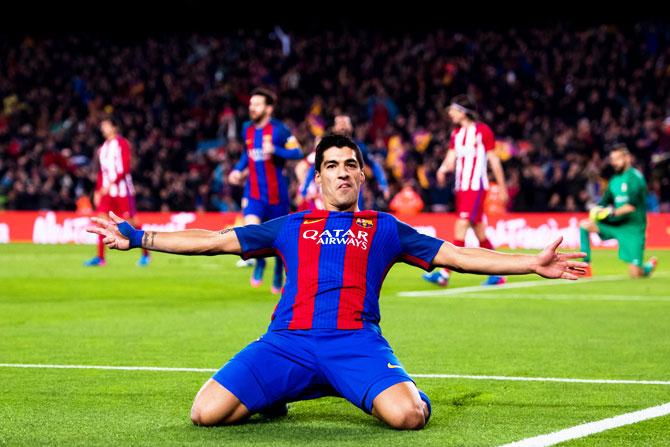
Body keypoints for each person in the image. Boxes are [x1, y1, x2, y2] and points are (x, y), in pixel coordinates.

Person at [87, 134, 587, 430]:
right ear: (319, 178)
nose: (342, 173)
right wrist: (141, 236)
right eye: (332, 166)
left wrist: (530, 264)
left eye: (351, 165)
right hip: (286, 343)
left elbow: (455, 254)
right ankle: (291, 389)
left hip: (354, 344)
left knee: (409, 418)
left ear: (363, 175)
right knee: (205, 414)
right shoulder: (291, 225)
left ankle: (377, 383)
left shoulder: (386, 228)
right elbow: (215, 240)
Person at [423, 95, 509, 287]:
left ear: (463, 111)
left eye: (453, 110)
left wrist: (502, 187)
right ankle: (499, 273)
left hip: (476, 187)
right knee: (479, 231)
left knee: (461, 225)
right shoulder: (457, 134)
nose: (450, 114)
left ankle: (444, 274)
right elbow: (450, 157)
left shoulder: (482, 131)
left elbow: (494, 160)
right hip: (461, 188)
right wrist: (442, 168)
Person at [227, 87, 303, 293]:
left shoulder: (280, 130)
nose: (252, 108)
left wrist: (276, 150)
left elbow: (298, 152)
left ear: (268, 109)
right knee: (252, 232)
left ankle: (278, 270)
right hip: (254, 193)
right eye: (251, 104)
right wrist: (237, 169)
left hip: (277, 195)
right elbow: (247, 155)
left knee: (279, 239)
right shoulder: (247, 129)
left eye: (257, 104)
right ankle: (260, 263)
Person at [579, 143, 658, 278]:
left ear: (627, 158)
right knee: (584, 225)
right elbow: (604, 202)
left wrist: (609, 213)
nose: (613, 162)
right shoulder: (615, 180)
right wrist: (597, 209)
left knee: (635, 274)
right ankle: (585, 267)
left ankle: (647, 267)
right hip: (615, 224)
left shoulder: (636, 178)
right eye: (612, 159)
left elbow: (631, 206)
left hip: (633, 228)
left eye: (617, 159)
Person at [84, 116, 150, 267]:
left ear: (114, 127)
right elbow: (102, 171)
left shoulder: (122, 144)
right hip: (107, 193)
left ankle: (146, 254)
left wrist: (111, 183)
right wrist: (98, 191)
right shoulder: (103, 147)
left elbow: (125, 169)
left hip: (122, 191)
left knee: (132, 223)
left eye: (105, 125)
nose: (103, 128)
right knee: (101, 221)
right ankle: (100, 258)